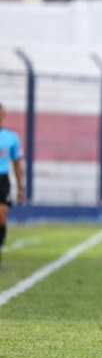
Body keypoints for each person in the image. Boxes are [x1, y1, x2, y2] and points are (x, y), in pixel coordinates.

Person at [0, 103, 25, 268]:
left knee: (1, 217)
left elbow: (17, 163)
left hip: (2, 180)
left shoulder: (11, 137)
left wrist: (20, 187)